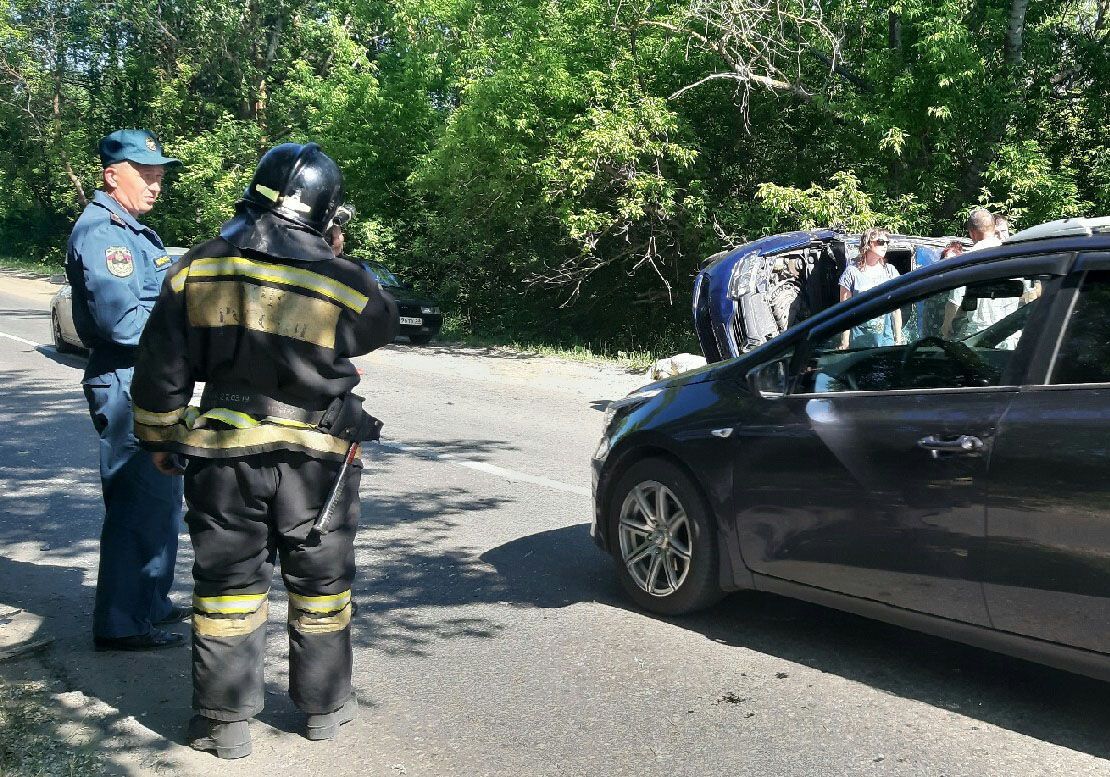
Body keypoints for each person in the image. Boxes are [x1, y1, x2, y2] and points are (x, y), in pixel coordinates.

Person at [130, 143, 398, 759]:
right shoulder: (345, 281)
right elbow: (379, 322)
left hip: (223, 458)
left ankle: (224, 725)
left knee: (227, 589)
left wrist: (158, 438)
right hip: (319, 464)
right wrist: (334, 256)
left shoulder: (195, 269)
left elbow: (162, 365)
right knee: (322, 586)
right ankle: (323, 710)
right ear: (327, 213)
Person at [65, 129, 188, 652]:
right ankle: (121, 622)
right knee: (137, 503)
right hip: (126, 381)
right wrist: (188, 329)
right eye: (147, 172)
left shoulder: (133, 230)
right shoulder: (104, 233)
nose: (157, 183)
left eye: (160, 173)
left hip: (148, 381)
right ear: (112, 175)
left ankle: (150, 599)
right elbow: (121, 323)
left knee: (161, 500)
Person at [942, 207, 1007, 339]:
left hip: (980, 333)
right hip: (1009, 332)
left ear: (971, 233)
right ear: (994, 228)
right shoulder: (1011, 254)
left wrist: (946, 325)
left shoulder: (970, 258)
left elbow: (955, 301)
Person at [837, 227, 902, 348]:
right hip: (859, 344)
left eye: (887, 243)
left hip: (885, 343)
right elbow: (844, 312)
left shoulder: (890, 271)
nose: (885, 246)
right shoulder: (851, 273)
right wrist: (845, 343)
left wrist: (898, 340)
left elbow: (896, 309)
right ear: (868, 244)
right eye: (881, 242)